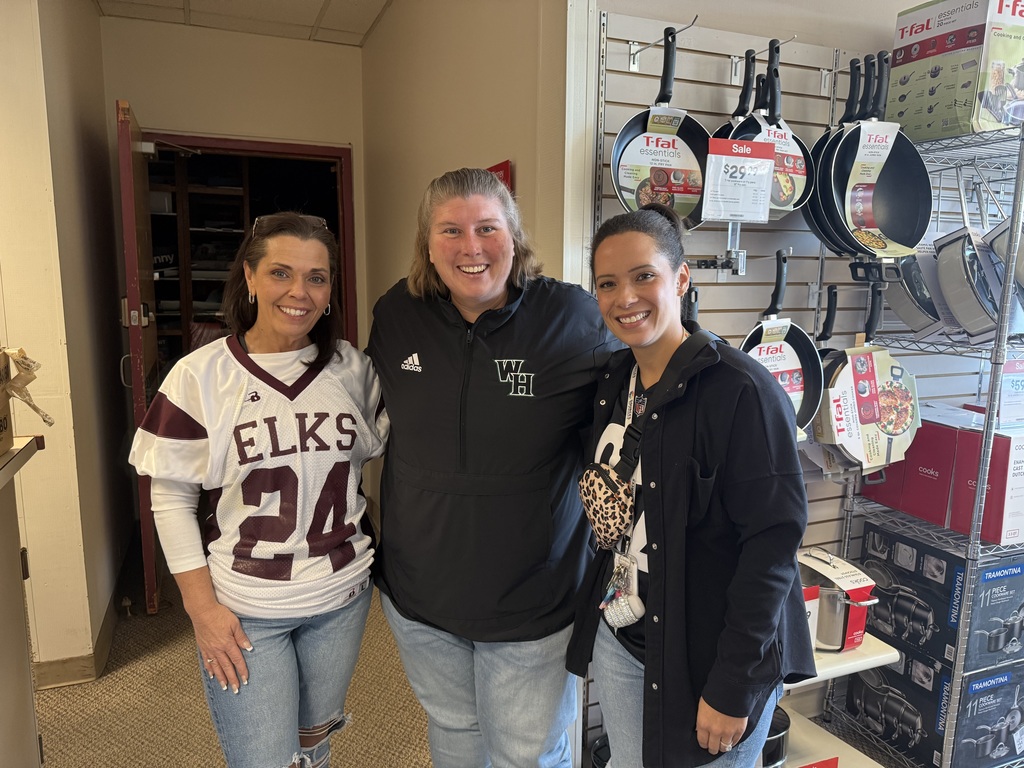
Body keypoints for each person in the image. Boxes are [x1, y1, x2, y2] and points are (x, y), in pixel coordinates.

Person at [366, 167, 621, 768]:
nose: (471, 247)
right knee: (454, 733)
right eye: (450, 230)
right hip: (420, 594)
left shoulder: (572, 318)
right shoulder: (397, 313)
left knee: (526, 755)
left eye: (487, 227)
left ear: (514, 234)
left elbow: (632, 414)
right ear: (427, 244)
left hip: (533, 596)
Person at [129, 212, 388, 768]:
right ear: (248, 277)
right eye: (280, 273)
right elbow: (169, 497)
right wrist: (200, 609)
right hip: (246, 608)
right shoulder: (199, 376)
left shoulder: (354, 370)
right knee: (266, 760)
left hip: (340, 596)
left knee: (315, 744)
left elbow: (376, 463)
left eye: (317, 277)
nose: (300, 291)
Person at [566, 204, 816, 768]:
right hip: (625, 637)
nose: (624, 297)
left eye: (643, 276)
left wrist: (732, 684)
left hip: (711, 656)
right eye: (607, 284)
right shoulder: (612, 382)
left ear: (681, 278)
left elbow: (773, 546)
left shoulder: (742, 393)